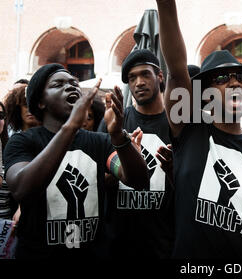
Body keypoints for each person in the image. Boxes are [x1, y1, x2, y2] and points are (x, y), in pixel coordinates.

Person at [149, 0, 242, 258]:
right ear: (205, 95)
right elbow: (176, 66)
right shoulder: (190, 127)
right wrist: (166, 3)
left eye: (241, 78)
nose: (235, 83)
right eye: (222, 79)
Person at [3, 63, 149, 259]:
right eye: (58, 84)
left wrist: (117, 136)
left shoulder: (100, 141)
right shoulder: (23, 142)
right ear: (40, 102)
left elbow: (137, 180)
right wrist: (71, 125)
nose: (70, 86)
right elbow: (22, 188)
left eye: (74, 82)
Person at [97, 49, 174, 259]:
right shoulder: (113, 122)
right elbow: (96, 178)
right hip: (118, 241)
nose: (139, 82)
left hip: (164, 242)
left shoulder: (177, 124)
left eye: (145, 74)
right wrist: (124, 167)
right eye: (132, 78)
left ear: (159, 76)